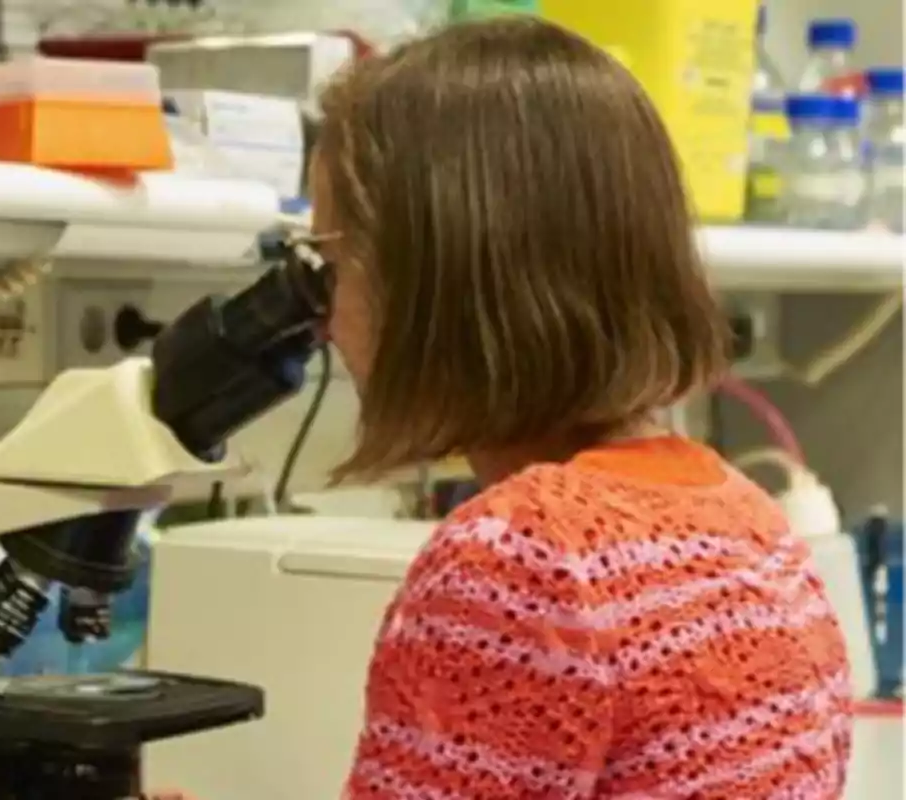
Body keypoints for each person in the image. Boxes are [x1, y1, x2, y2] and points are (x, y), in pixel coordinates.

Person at [154, 16, 853, 800]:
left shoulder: (520, 558)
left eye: (333, 262)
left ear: (436, 282)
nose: (322, 317)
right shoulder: (749, 522)